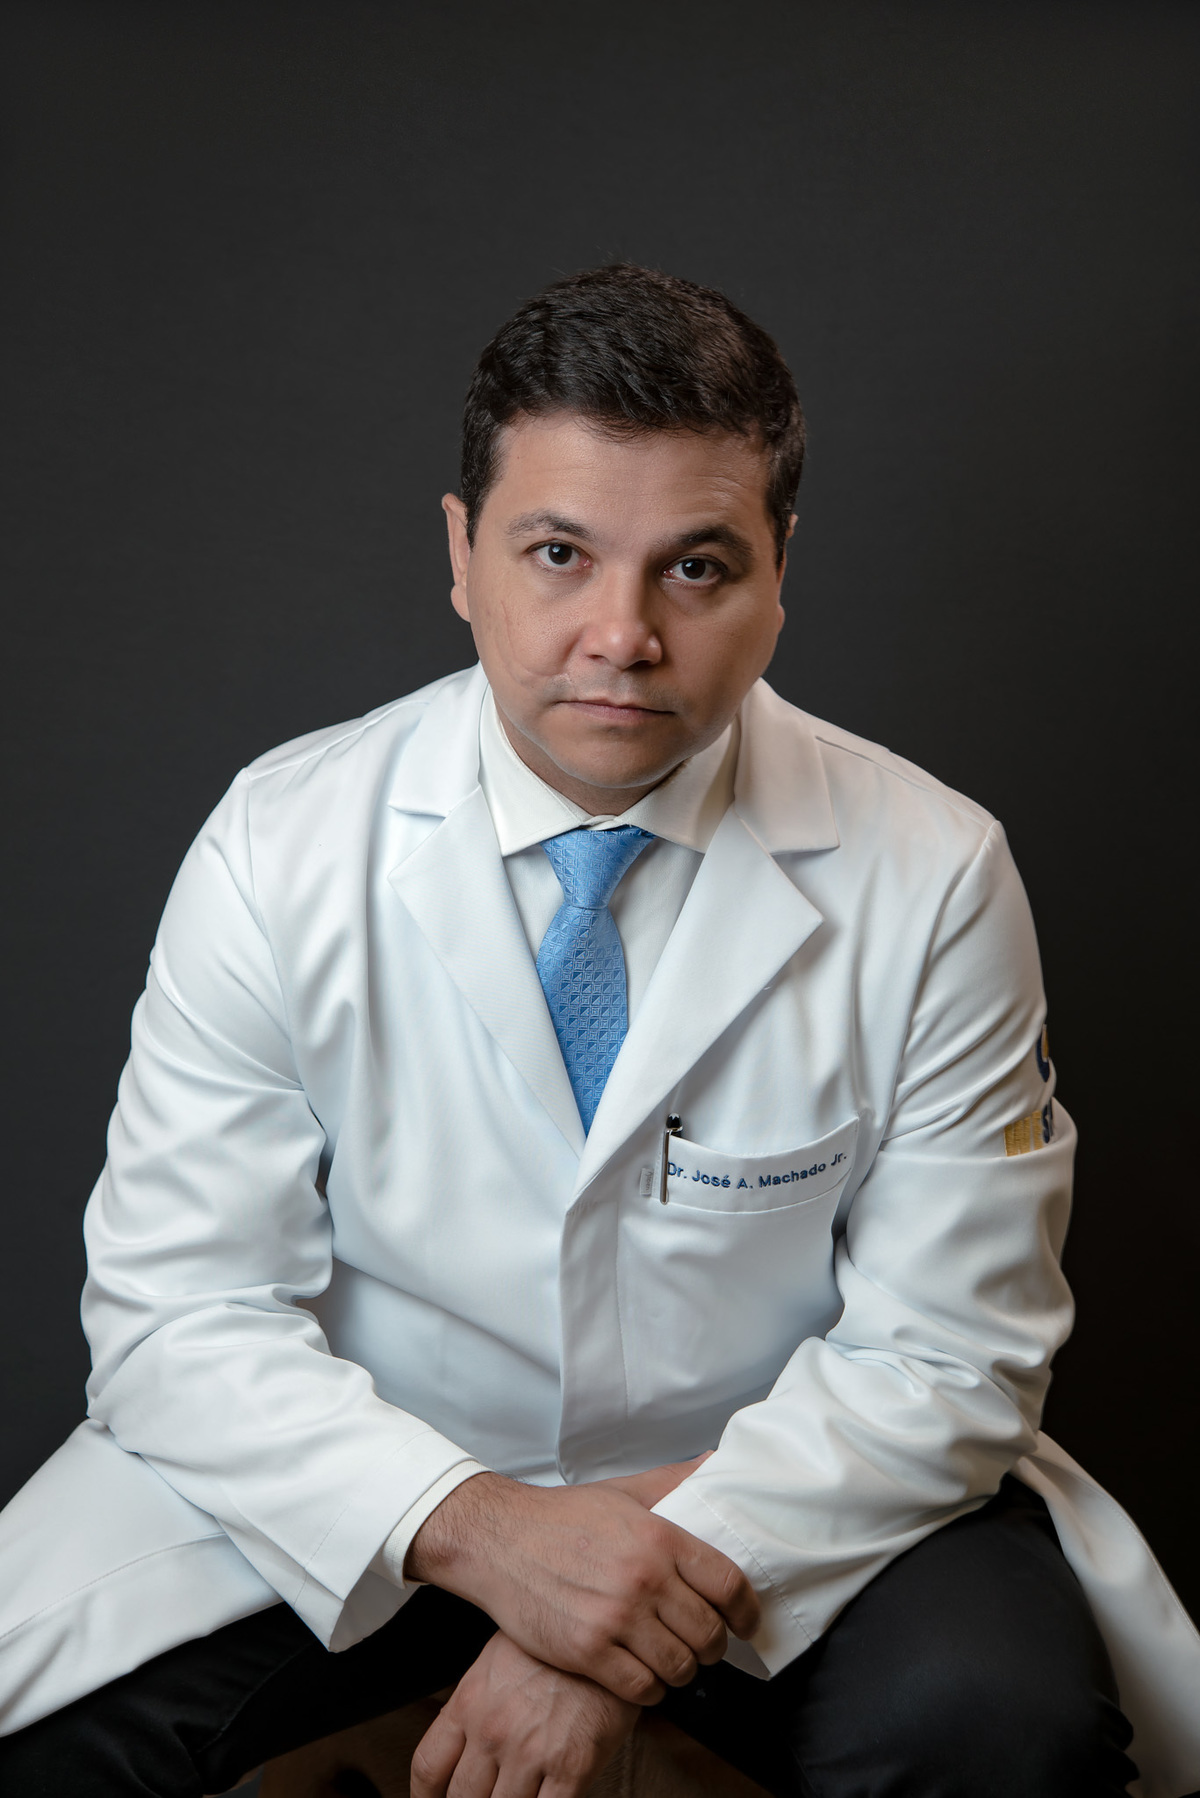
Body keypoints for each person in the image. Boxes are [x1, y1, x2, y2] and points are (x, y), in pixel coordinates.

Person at [0, 264, 1197, 1798]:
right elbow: (177, 1314)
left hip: (793, 1492)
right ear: (463, 553)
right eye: (559, 553)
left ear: (780, 571)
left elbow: (947, 1352)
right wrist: (485, 1530)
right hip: (363, 1478)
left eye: (695, 567)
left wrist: (607, 1610)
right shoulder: (277, 844)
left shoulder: (935, 871)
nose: (621, 634)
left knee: (997, 1736)